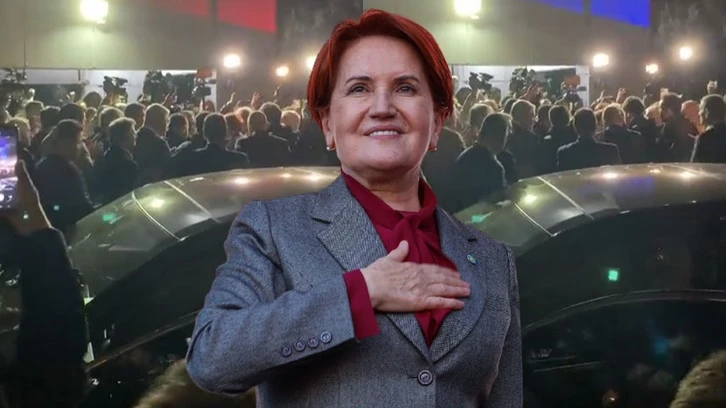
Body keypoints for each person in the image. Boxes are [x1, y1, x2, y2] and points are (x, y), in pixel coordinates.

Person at [186, 9, 522, 407]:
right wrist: (360, 293)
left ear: (436, 122)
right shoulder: (275, 230)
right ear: (327, 123)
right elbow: (212, 357)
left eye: (405, 88)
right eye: (359, 88)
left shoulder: (492, 261)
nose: (382, 107)